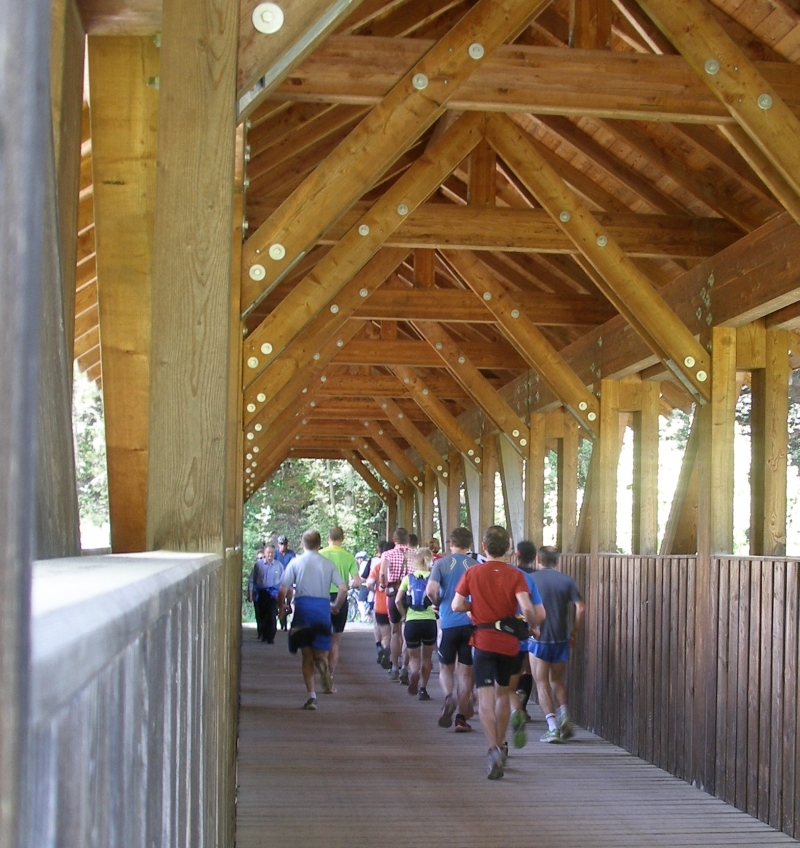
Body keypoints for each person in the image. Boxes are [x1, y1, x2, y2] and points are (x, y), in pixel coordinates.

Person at [452, 525, 545, 780]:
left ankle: (492, 747)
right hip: (509, 643)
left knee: (485, 698)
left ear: (484, 547)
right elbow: (527, 609)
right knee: (503, 693)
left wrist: (476, 605)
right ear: (508, 549)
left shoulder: (473, 572)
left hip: (482, 641)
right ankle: (503, 744)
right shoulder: (516, 575)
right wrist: (533, 626)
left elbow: (457, 604)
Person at [277, 530, 347, 710]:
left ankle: (312, 696)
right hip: (322, 609)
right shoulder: (327, 564)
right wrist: (336, 605)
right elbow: (343, 588)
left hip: (303, 609)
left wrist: (282, 608)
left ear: (302, 544)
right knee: (321, 653)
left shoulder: (295, 562)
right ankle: (323, 666)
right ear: (319, 544)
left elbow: (282, 590)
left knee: (306, 655)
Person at [530, 545, 585, 743]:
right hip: (562, 637)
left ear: (538, 559)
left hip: (540, 637)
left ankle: (553, 728)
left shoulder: (531, 580)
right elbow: (580, 607)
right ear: (558, 561)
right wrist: (575, 630)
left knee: (541, 681)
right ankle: (565, 716)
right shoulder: (567, 580)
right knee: (557, 680)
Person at [426, 526, 477, 733]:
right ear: (469, 544)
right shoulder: (474, 565)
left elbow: (431, 589)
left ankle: (449, 697)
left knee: (446, 667)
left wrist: (437, 603)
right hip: (469, 623)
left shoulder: (441, 563)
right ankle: (460, 718)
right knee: (466, 673)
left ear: (450, 543)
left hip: (447, 623)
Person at [319, 526, 362, 686]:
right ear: (342, 539)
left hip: (322, 598)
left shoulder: (320, 554)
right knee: (335, 641)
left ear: (327, 538)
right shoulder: (348, 557)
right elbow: (357, 582)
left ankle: (322, 672)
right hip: (340, 598)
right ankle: (330, 675)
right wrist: (349, 585)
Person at [395, 547, 436, 701]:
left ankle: (414, 673)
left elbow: (398, 600)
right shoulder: (433, 578)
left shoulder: (408, 578)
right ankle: (423, 689)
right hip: (429, 621)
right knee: (427, 658)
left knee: (414, 657)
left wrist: (404, 615)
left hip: (412, 621)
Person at [379, 527, 411, 680]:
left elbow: (383, 573)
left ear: (394, 540)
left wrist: (383, 586)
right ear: (408, 540)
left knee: (395, 632)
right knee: (406, 631)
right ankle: (406, 667)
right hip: (409, 594)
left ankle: (394, 667)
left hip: (393, 594)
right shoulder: (415, 554)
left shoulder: (388, 554)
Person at [247, 544, 284, 643]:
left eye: (272, 553)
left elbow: (283, 581)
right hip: (262, 593)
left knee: (272, 614)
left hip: (273, 594)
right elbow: (252, 580)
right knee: (262, 615)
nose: (270, 555)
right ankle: (263, 634)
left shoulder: (279, 565)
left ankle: (271, 637)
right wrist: (250, 592)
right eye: (268, 552)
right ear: (265, 553)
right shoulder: (258, 565)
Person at [367, 541, 393, 668]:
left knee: (385, 634)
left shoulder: (378, 567)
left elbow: (368, 583)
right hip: (394, 604)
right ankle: (394, 659)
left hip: (381, 605)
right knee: (396, 634)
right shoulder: (401, 566)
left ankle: (384, 649)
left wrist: (376, 590)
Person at [275, 535, 297, 629]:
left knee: (290, 592)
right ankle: (280, 611)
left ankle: (288, 606)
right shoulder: (275, 553)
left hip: (288, 579)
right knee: (278, 597)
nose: (283, 546)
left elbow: (295, 565)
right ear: (278, 545)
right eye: (281, 544)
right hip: (278, 580)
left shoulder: (291, 554)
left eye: (284, 544)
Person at [355, 550, 372, 622]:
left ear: (361, 559)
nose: (358, 560)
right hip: (369, 584)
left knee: (360, 601)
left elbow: (362, 577)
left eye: (358, 559)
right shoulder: (367, 563)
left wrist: (355, 582)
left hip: (364, 585)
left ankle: (363, 617)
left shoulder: (363, 564)